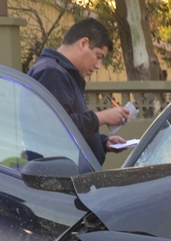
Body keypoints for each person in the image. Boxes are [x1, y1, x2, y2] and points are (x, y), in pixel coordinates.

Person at [28, 18, 130, 166]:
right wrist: (103, 117)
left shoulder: (63, 73)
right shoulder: (51, 73)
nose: (98, 66)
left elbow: (73, 130)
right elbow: (59, 128)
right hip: (59, 179)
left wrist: (103, 142)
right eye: (98, 56)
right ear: (83, 43)